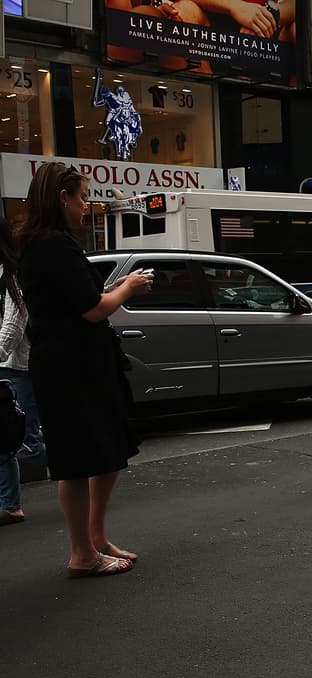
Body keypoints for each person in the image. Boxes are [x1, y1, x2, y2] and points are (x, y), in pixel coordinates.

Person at [17, 162, 153, 575]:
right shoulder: (54, 245)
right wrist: (126, 288)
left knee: (105, 448)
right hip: (71, 366)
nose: (84, 206)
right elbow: (92, 310)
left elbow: (80, 299)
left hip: (73, 362)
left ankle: (94, 540)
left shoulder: (42, 244)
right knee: (78, 457)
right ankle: (83, 552)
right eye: (81, 197)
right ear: (62, 197)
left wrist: (108, 290)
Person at [1, 219, 43, 525]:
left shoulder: (13, 276)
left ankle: (83, 466)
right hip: (9, 367)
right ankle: (10, 504)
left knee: (26, 442)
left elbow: (13, 327)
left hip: (19, 369)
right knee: (8, 441)